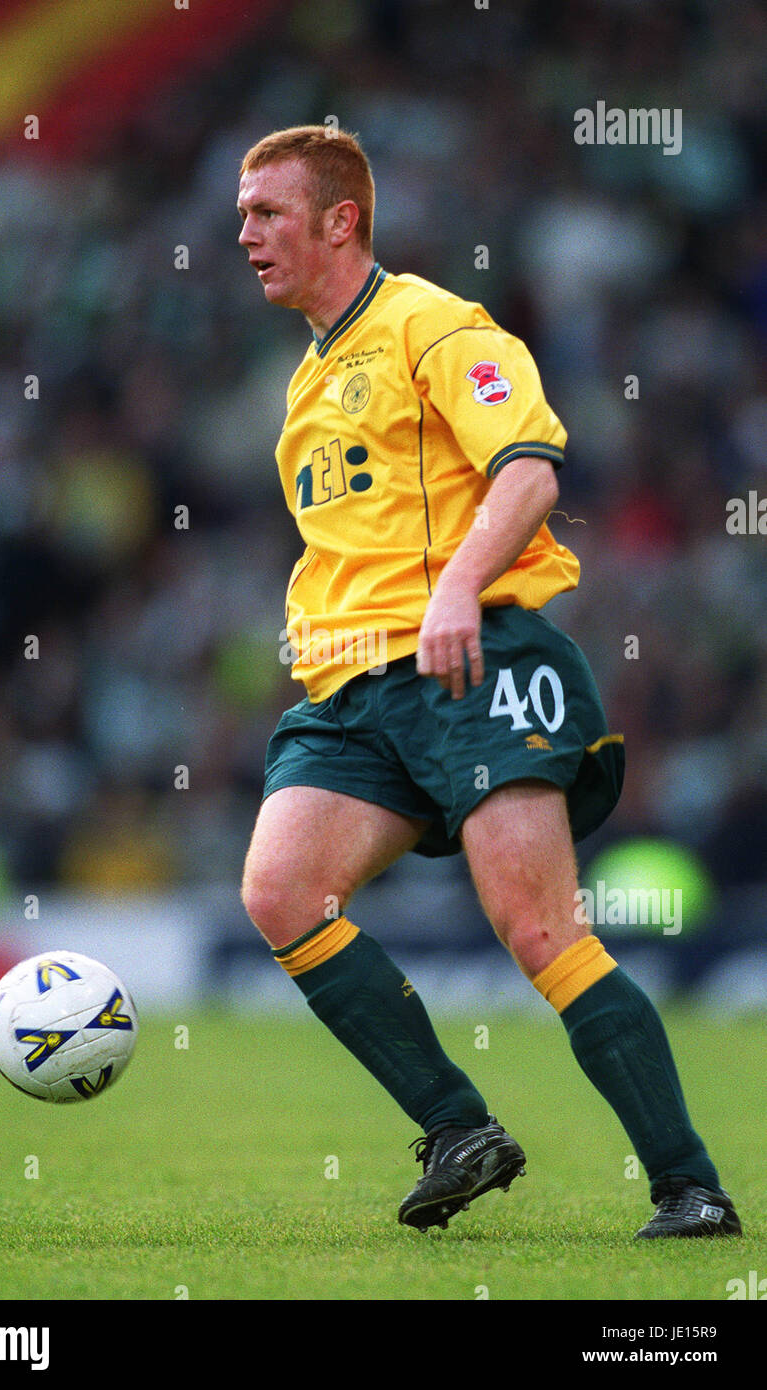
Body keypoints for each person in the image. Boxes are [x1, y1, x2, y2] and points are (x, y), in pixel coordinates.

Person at [236, 125, 740, 1239]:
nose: (244, 234)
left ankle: (687, 1186)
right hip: (348, 691)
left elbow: (527, 467)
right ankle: (457, 1126)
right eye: (242, 214)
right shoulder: (306, 378)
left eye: (267, 212)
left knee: (538, 930)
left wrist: (458, 589)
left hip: (469, 661)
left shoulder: (434, 324)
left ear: (339, 220)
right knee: (279, 895)